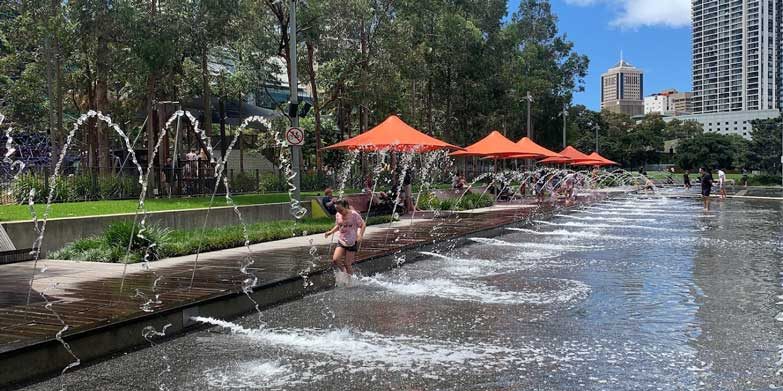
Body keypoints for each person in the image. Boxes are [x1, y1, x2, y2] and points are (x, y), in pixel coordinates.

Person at [324, 199, 366, 277]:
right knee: (335, 259)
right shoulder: (338, 215)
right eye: (337, 209)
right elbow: (339, 225)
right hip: (342, 240)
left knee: (347, 263)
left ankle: (350, 281)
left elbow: (363, 224)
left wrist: (360, 235)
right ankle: (345, 274)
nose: (339, 212)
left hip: (352, 242)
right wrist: (330, 232)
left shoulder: (354, 215)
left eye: (340, 209)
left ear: (346, 207)